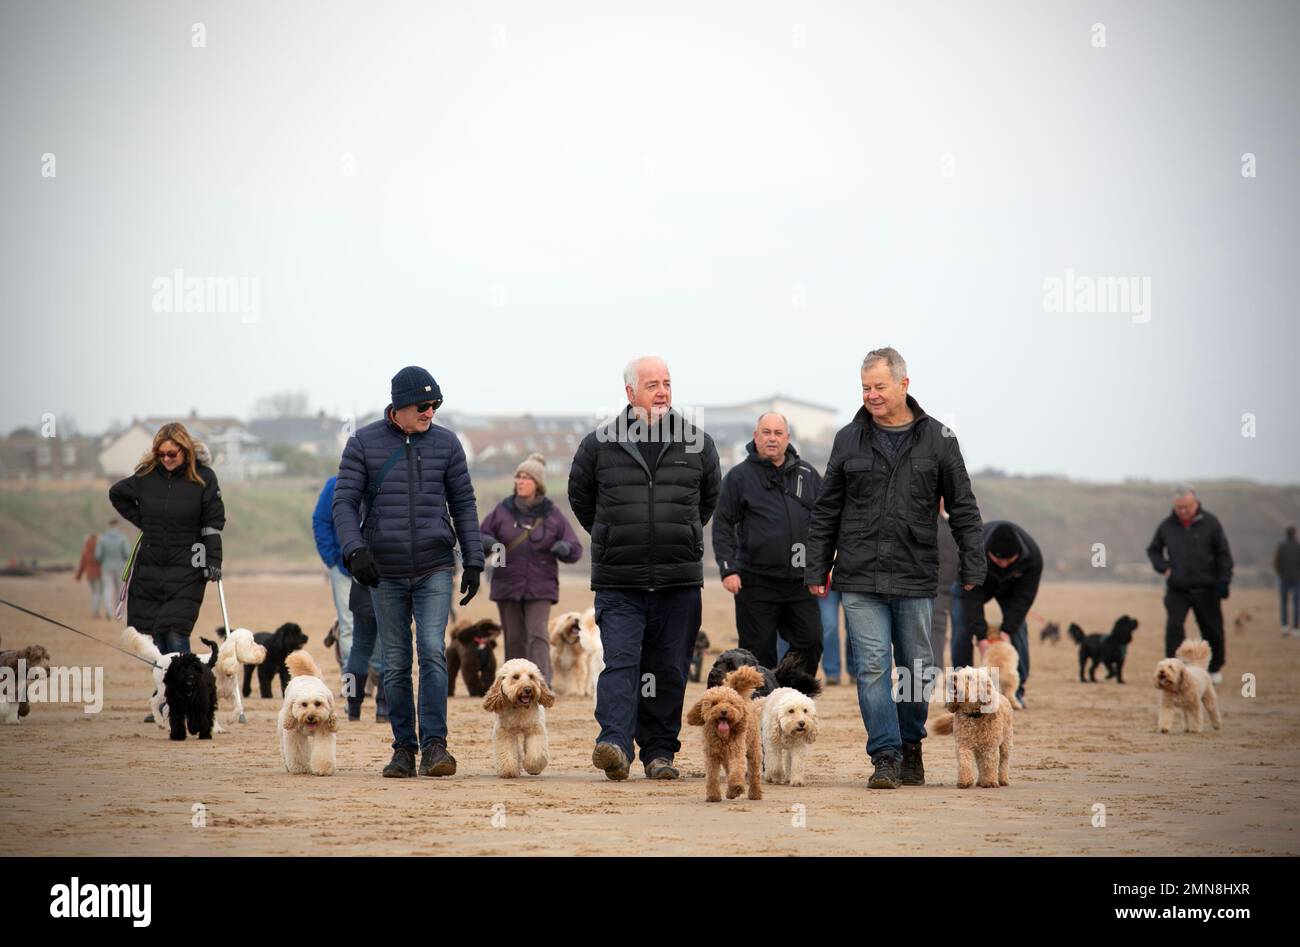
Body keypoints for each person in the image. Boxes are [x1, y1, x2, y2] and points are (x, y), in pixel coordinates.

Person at [805, 347, 985, 790]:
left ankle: (911, 745)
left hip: (916, 571)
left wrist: (973, 563)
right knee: (871, 667)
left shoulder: (939, 439)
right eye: (865, 388)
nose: (871, 395)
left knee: (917, 669)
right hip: (859, 573)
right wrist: (815, 566)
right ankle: (884, 755)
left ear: (904, 384)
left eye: (879, 387)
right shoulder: (848, 438)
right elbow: (827, 508)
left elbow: (963, 506)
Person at [568, 355, 720, 781]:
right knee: (620, 663)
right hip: (621, 579)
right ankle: (614, 743)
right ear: (631, 392)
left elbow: (707, 500)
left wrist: (682, 534)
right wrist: (611, 534)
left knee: (668, 669)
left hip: (678, 579)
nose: (662, 391)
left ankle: (658, 752)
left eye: (667, 383)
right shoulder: (599, 444)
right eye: (652, 384)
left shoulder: (697, 442)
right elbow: (581, 498)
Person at [333, 366, 484, 778]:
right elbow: (343, 503)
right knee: (396, 663)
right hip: (383, 570)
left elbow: (464, 505)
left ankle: (436, 746)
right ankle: (403, 748)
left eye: (435, 404)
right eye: (423, 404)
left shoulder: (448, 444)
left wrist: (473, 559)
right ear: (399, 405)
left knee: (433, 652)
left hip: (435, 566)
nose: (430, 411)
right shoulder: (362, 443)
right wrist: (354, 551)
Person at [109, 422, 225, 721]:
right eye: (161, 454)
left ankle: (187, 698)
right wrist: (144, 521)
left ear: (185, 451)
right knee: (156, 634)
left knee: (175, 630)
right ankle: (166, 697)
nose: (167, 459)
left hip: (189, 565)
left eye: (172, 453)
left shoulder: (204, 479)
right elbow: (117, 494)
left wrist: (213, 559)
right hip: (150, 566)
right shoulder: (146, 477)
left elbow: (213, 522)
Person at [713, 412, 823, 673]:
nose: (772, 438)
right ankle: (762, 706)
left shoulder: (807, 474)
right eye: (766, 432)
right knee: (757, 653)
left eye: (778, 433)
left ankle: (789, 697)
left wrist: (821, 567)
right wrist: (728, 569)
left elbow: (825, 522)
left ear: (787, 438)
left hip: (800, 581)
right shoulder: (739, 477)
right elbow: (722, 525)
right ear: (755, 436)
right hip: (755, 581)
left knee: (811, 641)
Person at [479, 453, 584, 683]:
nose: (521, 481)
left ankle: (542, 684)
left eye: (526, 478)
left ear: (538, 484)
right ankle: (513, 685)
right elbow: (480, 536)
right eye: (518, 477)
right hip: (507, 583)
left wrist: (565, 547)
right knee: (514, 638)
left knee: (538, 634)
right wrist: (485, 542)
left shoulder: (553, 514)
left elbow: (576, 548)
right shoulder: (501, 510)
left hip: (541, 585)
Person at [1147, 484, 1233, 682]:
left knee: (1212, 629)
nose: (1183, 511)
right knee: (1174, 629)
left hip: (1207, 588)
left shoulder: (1211, 523)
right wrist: (1164, 567)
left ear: (1195, 503)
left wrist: (1223, 581)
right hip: (1177, 588)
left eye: (1187, 507)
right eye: (1179, 508)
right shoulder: (1167, 525)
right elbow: (1153, 550)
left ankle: (1214, 669)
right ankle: (1173, 670)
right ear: (1174, 506)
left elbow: (1224, 554)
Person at [952, 520, 1041, 706]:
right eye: (997, 560)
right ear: (988, 553)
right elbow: (971, 597)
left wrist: (1007, 630)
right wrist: (982, 637)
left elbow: (1024, 599)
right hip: (973, 588)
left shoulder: (1033, 557)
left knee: (1018, 629)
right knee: (962, 628)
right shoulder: (973, 550)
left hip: (1011, 589)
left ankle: (1016, 691)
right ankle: (960, 690)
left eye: (1008, 561)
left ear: (1018, 555)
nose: (1002, 565)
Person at [313, 475, 353, 674]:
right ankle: (352, 683)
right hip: (342, 568)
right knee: (347, 626)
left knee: (379, 628)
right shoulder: (334, 484)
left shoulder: (381, 479)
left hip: (380, 568)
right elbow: (320, 520)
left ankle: (375, 684)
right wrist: (332, 559)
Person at [930, 500, 960, 673]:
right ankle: (935, 669)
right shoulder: (932, 521)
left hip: (953, 586)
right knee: (938, 629)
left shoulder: (954, 522)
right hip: (940, 586)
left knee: (954, 631)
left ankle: (957, 672)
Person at [96, 518, 132, 619]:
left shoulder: (102, 538)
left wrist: (104, 561)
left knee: (108, 589)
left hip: (106, 567)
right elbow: (128, 553)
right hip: (120, 566)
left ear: (109, 526)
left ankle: (109, 612)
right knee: (120, 590)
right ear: (117, 526)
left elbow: (98, 555)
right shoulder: (122, 538)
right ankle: (119, 613)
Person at [1274, 526, 1300, 638]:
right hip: (1296, 580)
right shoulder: (1298, 546)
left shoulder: (1281, 546)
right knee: (1296, 604)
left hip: (1284, 579)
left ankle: (1285, 627)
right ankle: (1295, 628)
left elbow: (1276, 562)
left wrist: (1280, 573)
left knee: (1284, 604)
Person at [74, 533, 103, 618]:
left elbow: (82, 564)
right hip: (98, 574)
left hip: (89, 575)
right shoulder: (99, 549)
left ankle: (95, 611)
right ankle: (96, 612)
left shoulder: (85, 550)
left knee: (94, 593)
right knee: (97, 593)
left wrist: (78, 576)